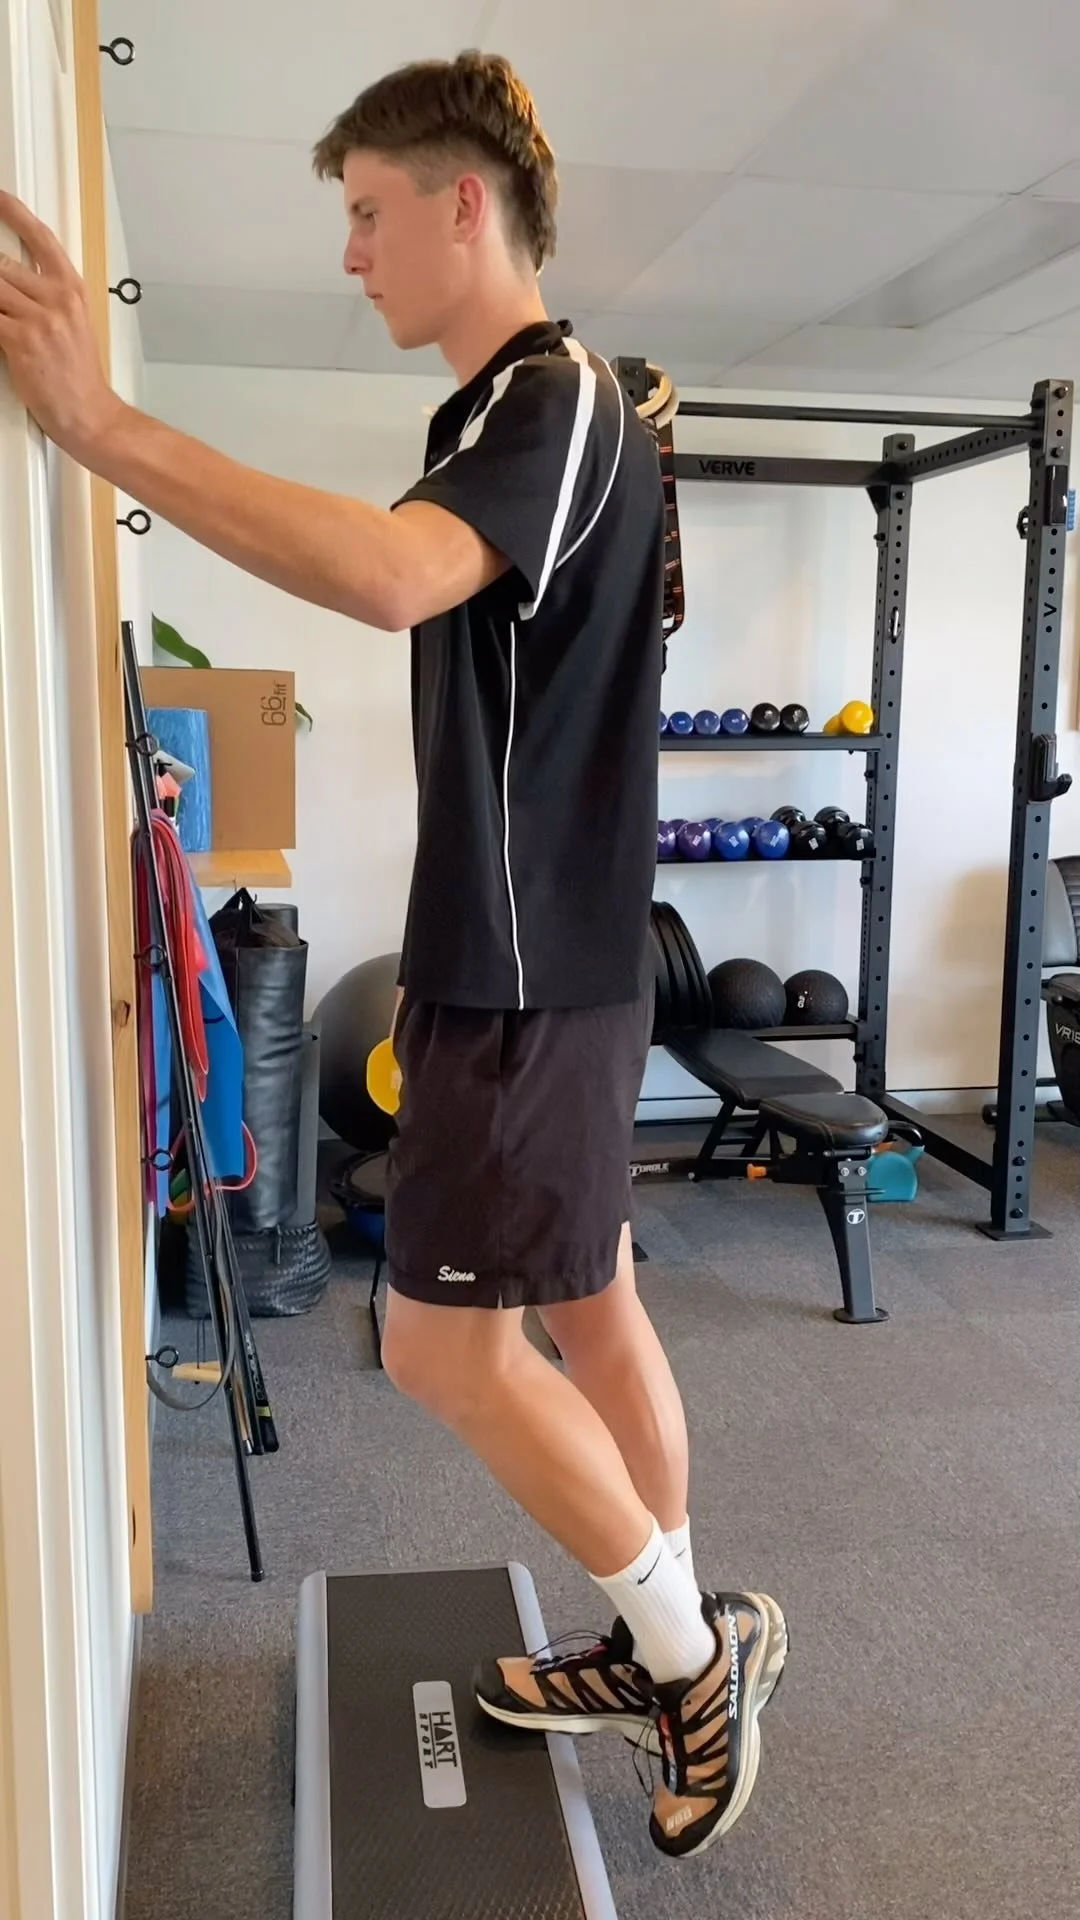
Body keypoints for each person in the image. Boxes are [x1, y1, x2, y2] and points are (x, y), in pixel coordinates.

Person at [0, 49, 787, 1859]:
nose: (351, 253)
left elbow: (384, 575)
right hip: (542, 956)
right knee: (588, 1303)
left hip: (525, 972)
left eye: (368, 213)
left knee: (440, 1353)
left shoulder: (557, 395)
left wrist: (98, 426)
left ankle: (690, 1661)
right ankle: (662, 1627)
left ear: (464, 204)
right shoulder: (516, 413)